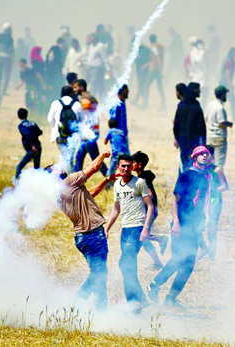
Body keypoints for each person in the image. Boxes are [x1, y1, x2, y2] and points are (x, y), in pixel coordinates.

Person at [147, 146, 212, 308]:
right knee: (178, 258)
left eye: (206, 154)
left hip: (194, 225)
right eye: (201, 154)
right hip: (181, 223)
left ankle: (171, 298)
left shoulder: (205, 178)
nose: (204, 156)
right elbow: (175, 199)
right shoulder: (186, 175)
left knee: (189, 264)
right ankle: (153, 286)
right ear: (194, 157)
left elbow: (202, 203)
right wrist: (175, 221)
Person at [56, 151, 111, 311]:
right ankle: (77, 304)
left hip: (82, 238)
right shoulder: (69, 181)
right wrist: (102, 155)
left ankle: (101, 311)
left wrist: (106, 180)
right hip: (92, 235)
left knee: (100, 274)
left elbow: (90, 193)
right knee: (99, 274)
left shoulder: (61, 192)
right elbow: (94, 168)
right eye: (55, 169)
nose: (59, 168)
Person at [105, 154, 154, 309]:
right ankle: (140, 301)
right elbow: (116, 209)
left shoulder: (139, 183)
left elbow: (150, 206)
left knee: (125, 264)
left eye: (128, 165)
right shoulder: (117, 185)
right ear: (118, 167)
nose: (126, 168)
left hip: (137, 228)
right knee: (128, 265)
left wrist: (146, 229)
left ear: (133, 166)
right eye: (123, 166)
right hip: (125, 229)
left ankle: (135, 303)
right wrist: (107, 228)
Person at [132, 151, 169, 269]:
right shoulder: (142, 177)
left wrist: (143, 204)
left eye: (132, 163)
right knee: (143, 238)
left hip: (149, 211)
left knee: (142, 236)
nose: (129, 165)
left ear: (139, 164)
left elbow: (150, 194)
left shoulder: (143, 178)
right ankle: (157, 262)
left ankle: (160, 239)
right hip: (149, 210)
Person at [47, 85, 85, 169]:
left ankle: (65, 176)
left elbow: (50, 119)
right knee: (70, 156)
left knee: (64, 155)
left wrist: (55, 127)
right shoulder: (77, 104)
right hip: (73, 135)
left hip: (59, 134)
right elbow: (82, 120)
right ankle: (69, 176)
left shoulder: (55, 103)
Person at [173, 83, 206, 171]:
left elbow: (176, 125)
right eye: (198, 89)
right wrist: (203, 142)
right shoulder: (196, 105)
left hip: (183, 140)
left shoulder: (181, 105)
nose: (200, 91)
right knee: (194, 163)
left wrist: (178, 139)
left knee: (184, 164)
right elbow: (202, 126)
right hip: (194, 140)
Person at [74, 97, 107, 176]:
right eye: (93, 105)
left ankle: (108, 179)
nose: (95, 108)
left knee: (96, 161)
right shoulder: (86, 114)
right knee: (79, 159)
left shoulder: (93, 115)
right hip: (84, 141)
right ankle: (75, 179)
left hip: (90, 141)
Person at [205, 86, 233, 169]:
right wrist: (229, 124)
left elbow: (206, 118)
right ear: (223, 95)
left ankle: (209, 180)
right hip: (219, 137)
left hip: (210, 136)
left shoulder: (210, 105)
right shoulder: (220, 108)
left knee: (211, 162)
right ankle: (217, 181)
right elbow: (221, 123)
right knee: (219, 163)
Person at [15, 108, 42, 179]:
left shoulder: (22, 125)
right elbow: (40, 132)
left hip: (32, 149)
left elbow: (27, 135)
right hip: (38, 147)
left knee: (19, 167)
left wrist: (31, 146)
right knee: (37, 169)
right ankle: (40, 184)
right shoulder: (33, 123)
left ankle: (17, 185)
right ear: (27, 115)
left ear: (18, 116)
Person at [219, 47, 235, 122]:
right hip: (225, 83)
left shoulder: (227, 59)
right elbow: (228, 73)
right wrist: (230, 86)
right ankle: (232, 118)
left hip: (223, 82)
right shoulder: (229, 61)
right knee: (232, 100)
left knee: (222, 100)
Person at [44, 38, 66, 103]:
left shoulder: (58, 64)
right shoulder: (49, 65)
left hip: (57, 80)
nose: (51, 56)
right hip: (51, 80)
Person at [109, 84, 130, 149]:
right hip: (118, 136)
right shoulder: (116, 105)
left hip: (123, 134)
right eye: (126, 90)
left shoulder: (122, 103)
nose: (128, 91)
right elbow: (113, 121)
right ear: (121, 91)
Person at [148, 34, 166, 110]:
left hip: (155, 69)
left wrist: (155, 68)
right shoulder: (160, 46)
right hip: (158, 68)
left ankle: (145, 103)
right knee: (160, 88)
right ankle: (163, 104)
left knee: (146, 85)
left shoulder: (154, 47)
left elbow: (157, 58)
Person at [0, 23, 14, 97]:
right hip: (6, 57)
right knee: (6, 75)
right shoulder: (10, 38)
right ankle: (3, 91)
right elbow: (11, 49)